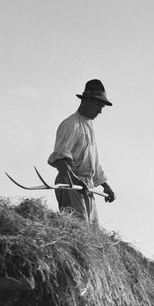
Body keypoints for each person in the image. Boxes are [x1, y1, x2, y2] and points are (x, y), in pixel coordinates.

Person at [47, 79, 116, 224]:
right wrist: (74, 180)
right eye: (98, 105)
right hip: (70, 182)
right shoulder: (71, 125)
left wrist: (105, 186)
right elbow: (60, 160)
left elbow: (92, 162)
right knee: (78, 228)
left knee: (93, 232)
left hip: (86, 185)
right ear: (87, 101)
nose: (100, 111)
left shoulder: (89, 126)